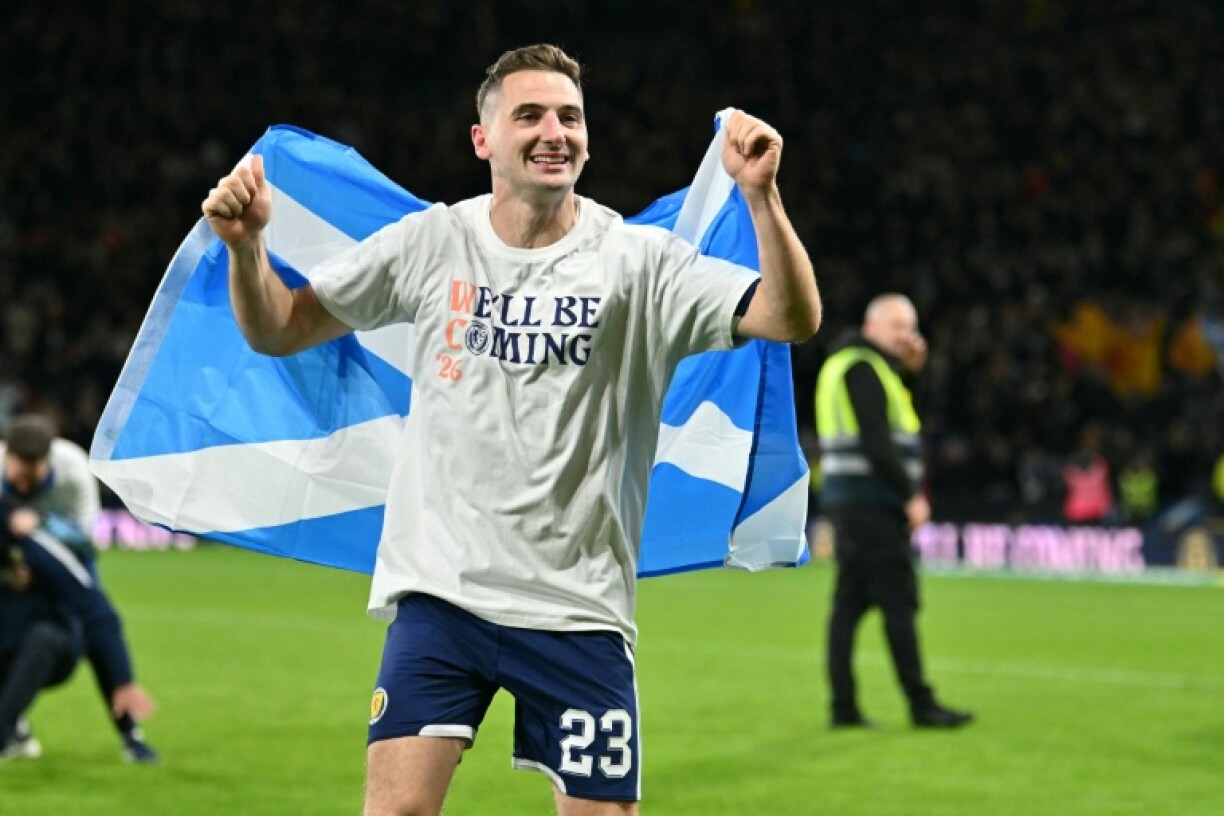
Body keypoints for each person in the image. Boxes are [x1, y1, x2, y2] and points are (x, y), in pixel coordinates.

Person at [202, 43, 821, 816]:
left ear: (588, 140)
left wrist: (761, 198)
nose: (554, 131)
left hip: (579, 611)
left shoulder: (639, 261)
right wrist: (248, 246)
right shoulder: (433, 242)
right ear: (483, 139)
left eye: (570, 116)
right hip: (442, 596)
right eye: (529, 115)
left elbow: (788, 317)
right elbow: (280, 328)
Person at [814, 294, 973, 730]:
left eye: (911, 326)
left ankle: (843, 707)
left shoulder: (859, 366)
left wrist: (915, 373)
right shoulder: (863, 367)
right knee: (898, 600)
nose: (907, 335)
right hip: (871, 502)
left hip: (852, 501)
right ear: (873, 326)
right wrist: (910, 494)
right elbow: (877, 440)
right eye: (898, 326)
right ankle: (921, 703)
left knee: (849, 604)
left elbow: (900, 423)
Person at [1, 414, 159, 762]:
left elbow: (86, 544)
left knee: (91, 618)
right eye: (16, 478)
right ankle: (12, 725)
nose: (23, 487)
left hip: (60, 557)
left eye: (32, 479)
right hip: (15, 564)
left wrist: (41, 526)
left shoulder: (73, 470)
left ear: (47, 463)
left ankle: (129, 732)